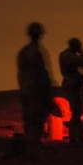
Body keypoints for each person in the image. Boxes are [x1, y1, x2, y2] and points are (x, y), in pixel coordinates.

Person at [17, 22, 54, 155]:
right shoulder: (36, 52)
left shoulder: (23, 52)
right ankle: (34, 147)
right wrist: (47, 92)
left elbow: (21, 73)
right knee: (37, 120)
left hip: (26, 91)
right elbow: (41, 73)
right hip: (36, 91)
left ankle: (29, 146)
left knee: (29, 120)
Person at [59, 37, 83, 145]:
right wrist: (82, 53)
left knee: (76, 111)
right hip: (72, 84)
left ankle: (78, 137)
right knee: (76, 111)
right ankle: (74, 138)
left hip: (68, 82)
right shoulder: (70, 56)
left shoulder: (63, 54)